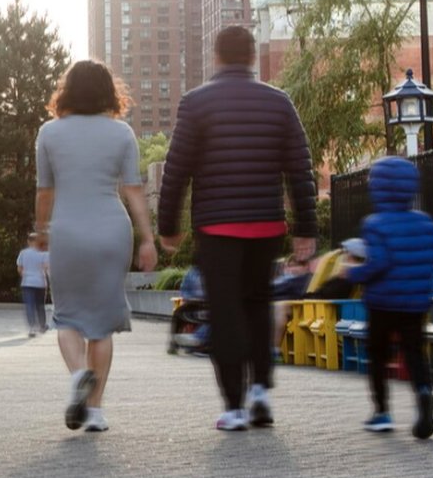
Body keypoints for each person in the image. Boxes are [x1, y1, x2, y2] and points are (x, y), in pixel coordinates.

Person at [158, 26, 318, 432]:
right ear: (252, 57)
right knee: (259, 305)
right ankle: (261, 389)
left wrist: (168, 227)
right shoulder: (279, 102)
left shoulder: (196, 103)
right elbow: (301, 170)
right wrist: (305, 228)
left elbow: (176, 169)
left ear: (216, 57)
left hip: (217, 226)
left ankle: (234, 406)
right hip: (266, 225)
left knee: (226, 312)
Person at [35, 60, 157, 433]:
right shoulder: (121, 134)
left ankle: (77, 377)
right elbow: (133, 190)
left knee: (68, 317)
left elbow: (45, 191)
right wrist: (147, 238)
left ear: (66, 91)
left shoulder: (49, 133)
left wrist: (41, 233)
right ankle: (96, 411)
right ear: (109, 92)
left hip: (68, 232)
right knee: (101, 326)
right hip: (111, 232)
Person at [344, 156, 433, 439]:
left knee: (377, 355)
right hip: (416, 303)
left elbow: (379, 264)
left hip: (382, 303)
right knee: (415, 353)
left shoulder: (375, 223)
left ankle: (382, 412)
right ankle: (424, 393)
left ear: (377, 188)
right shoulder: (426, 223)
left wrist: (351, 273)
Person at [17, 232, 50, 337]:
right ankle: (42, 325)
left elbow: (19, 268)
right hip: (40, 282)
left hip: (27, 282)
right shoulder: (44, 254)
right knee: (40, 305)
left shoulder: (23, 253)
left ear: (28, 242)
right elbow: (46, 268)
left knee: (29, 305)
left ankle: (32, 328)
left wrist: (25, 276)